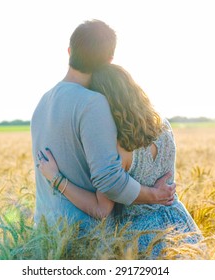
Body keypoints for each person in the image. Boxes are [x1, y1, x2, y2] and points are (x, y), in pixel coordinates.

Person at [37, 64, 202, 258]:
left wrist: (56, 179)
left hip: (141, 237)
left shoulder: (118, 148)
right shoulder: (164, 126)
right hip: (181, 225)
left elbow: (101, 210)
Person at [31, 20, 175, 229]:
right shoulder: (92, 103)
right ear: (109, 59)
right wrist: (154, 195)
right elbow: (110, 182)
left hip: (46, 231)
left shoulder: (42, 101)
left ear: (70, 51)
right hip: (83, 236)